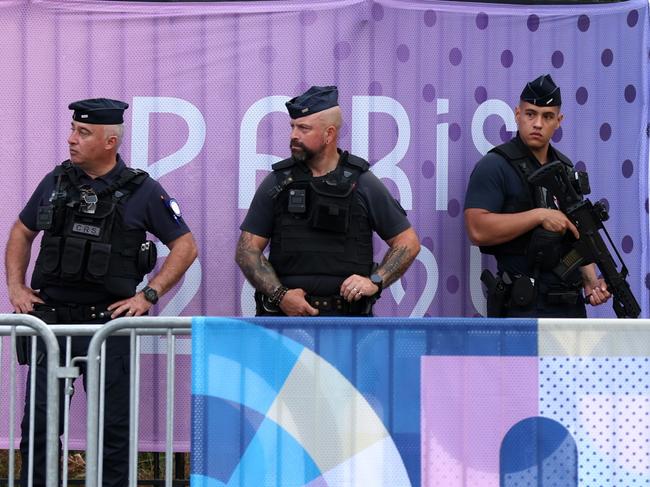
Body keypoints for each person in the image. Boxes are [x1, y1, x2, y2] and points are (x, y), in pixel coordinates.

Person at [5, 98, 198, 486]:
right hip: (52, 325)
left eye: (83, 132)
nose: (71, 139)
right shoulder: (56, 182)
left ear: (110, 142)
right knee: (40, 426)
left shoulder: (141, 190)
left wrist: (149, 296)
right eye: (74, 130)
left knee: (113, 431)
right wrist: (16, 287)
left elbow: (186, 246)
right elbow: (21, 232)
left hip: (108, 326)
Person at [236, 85, 420, 316]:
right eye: (292, 127)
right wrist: (281, 295)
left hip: (345, 324)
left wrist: (375, 280)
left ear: (329, 133)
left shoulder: (362, 182)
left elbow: (408, 242)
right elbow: (246, 251)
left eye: (303, 128)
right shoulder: (278, 181)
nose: (294, 135)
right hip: (286, 323)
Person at [464, 74, 610, 318]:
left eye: (548, 116)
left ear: (559, 121)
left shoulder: (565, 169)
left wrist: (591, 280)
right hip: (523, 307)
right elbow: (476, 228)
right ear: (517, 114)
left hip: (569, 306)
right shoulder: (495, 165)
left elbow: (577, 235)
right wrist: (539, 216)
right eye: (531, 114)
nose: (538, 123)